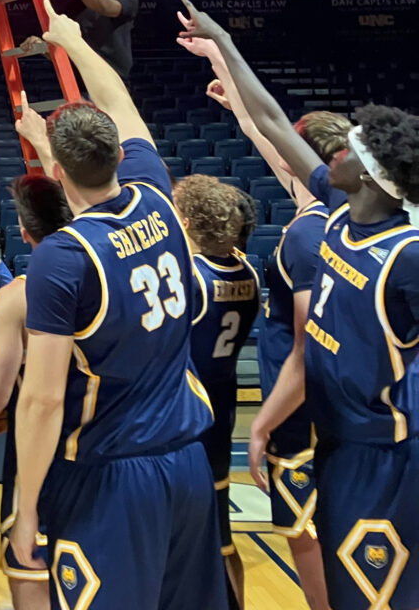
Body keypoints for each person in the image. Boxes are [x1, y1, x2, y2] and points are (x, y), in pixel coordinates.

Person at [177, 0, 419, 610]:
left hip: (384, 455)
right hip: (335, 444)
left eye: (350, 151)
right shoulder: (338, 214)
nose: (336, 152)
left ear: (370, 176)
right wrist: (224, 46)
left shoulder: (408, 253)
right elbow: (277, 126)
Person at [9, 0, 225, 610]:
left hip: (110, 473)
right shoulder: (158, 195)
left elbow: (46, 397)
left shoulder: (64, 255)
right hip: (186, 463)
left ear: (55, 170)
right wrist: (73, 42)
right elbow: (122, 105)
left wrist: (26, 508)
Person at [179, 34, 343, 610]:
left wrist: (266, 421)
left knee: (307, 532)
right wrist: (236, 96)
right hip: (315, 406)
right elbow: (269, 133)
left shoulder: (306, 234)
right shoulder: (333, 217)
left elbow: (307, 345)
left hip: (300, 413)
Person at [0, 173, 72, 610]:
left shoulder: (19, 297)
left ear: (24, 232)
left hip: (39, 450)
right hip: (109, 442)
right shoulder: (116, 269)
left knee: (30, 564)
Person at [173, 175, 260, 610]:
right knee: (222, 537)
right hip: (224, 407)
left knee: (179, 535)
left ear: (186, 222)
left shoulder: (191, 277)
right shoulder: (247, 270)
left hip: (188, 414)